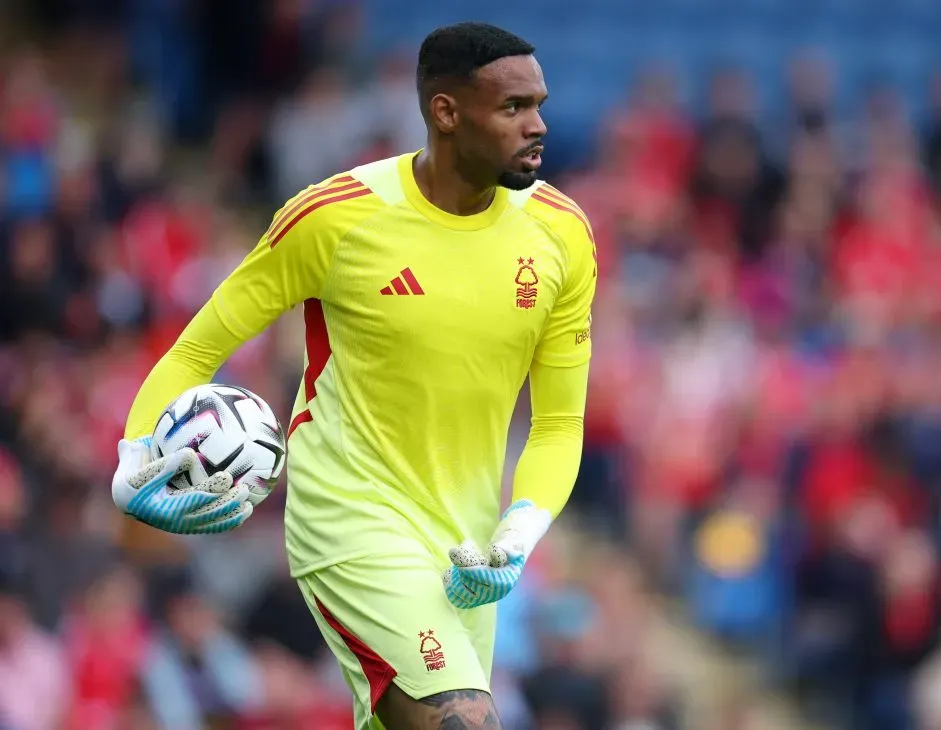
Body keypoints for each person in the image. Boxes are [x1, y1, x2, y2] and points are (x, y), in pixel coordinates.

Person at [110, 22, 597, 730]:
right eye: (514, 107)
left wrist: (519, 529)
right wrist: (133, 455)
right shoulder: (334, 218)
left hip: (466, 549)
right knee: (465, 722)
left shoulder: (561, 235)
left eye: (539, 104)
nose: (538, 125)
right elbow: (194, 353)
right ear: (446, 112)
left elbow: (558, 424)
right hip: (348, 519)